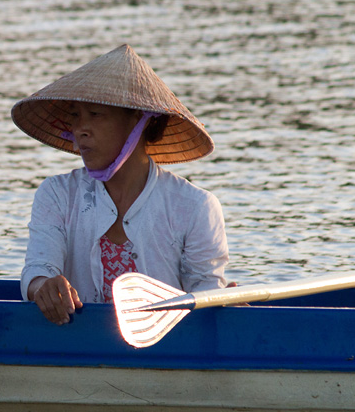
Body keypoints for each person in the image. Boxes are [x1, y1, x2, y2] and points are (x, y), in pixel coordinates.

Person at [13, 44, 227, 325]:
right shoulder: (57, 195)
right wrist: (44, 288)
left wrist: (223, 304)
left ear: (137, 119)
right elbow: (38, 268)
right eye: (76, 115)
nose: (80, 129)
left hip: (168, 349)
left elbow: (206, 292)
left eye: (95, 114)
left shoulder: (195, 207)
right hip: (76, 339)